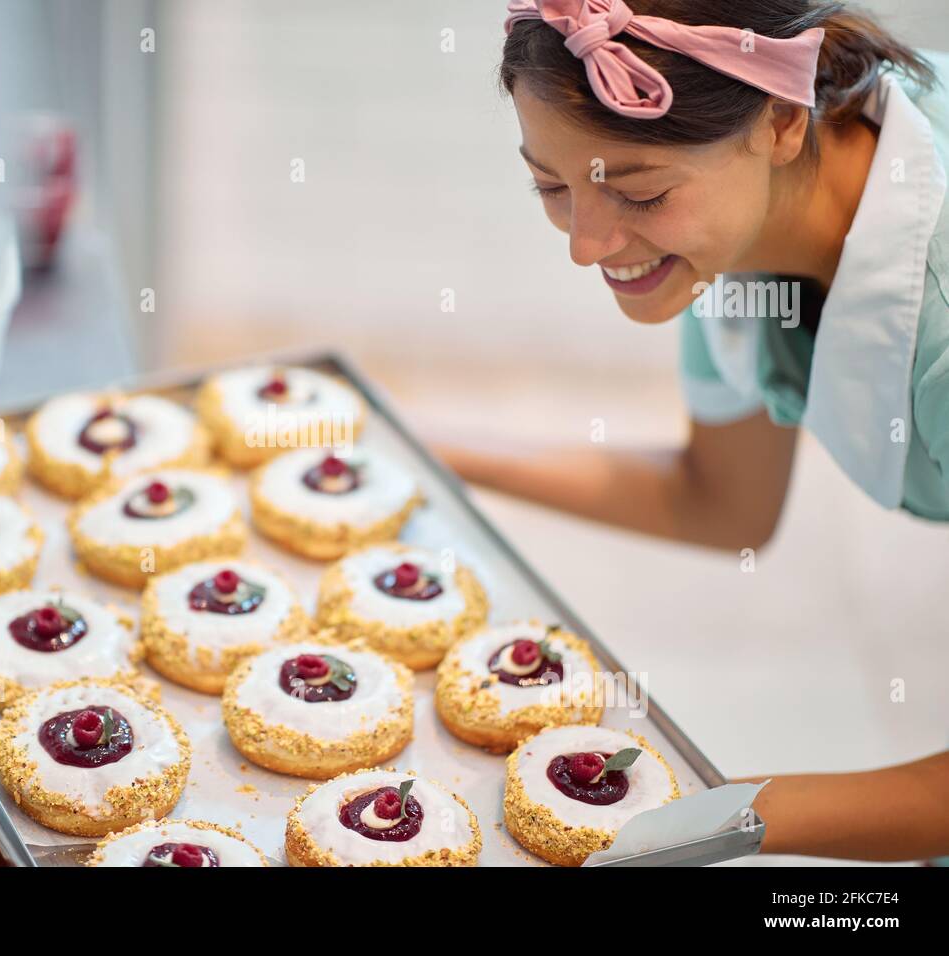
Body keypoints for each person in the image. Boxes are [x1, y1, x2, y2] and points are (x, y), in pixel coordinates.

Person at [437, 0, 949, 861]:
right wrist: (432, 454)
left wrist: (699, 820)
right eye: (552, 187)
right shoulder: (737, 228)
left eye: (640, 192)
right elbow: (723, 500)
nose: (588, 246)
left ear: (783, 120)